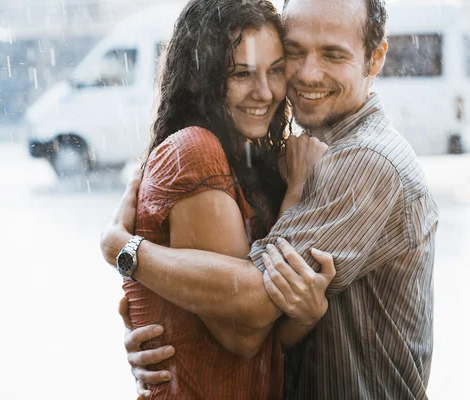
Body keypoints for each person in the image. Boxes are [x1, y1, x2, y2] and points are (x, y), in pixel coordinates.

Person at [101, 0, 439, 398]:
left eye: (333, 54)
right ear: (205, 76)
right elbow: (248, 326)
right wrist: (166, 322)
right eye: (294, 53)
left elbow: (253, 307)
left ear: (376, 57)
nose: (308, 74)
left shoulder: (364, 160)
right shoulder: (286, 153)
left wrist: (124, 251)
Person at [111, 0, 335, 398]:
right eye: (241, 74)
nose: (264, 92)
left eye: (275, 70)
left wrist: (308, 314)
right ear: (202, 77)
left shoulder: (246, 155)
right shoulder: (194, 150)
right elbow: (242, 336)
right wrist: (121, 249)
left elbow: (260, 343)